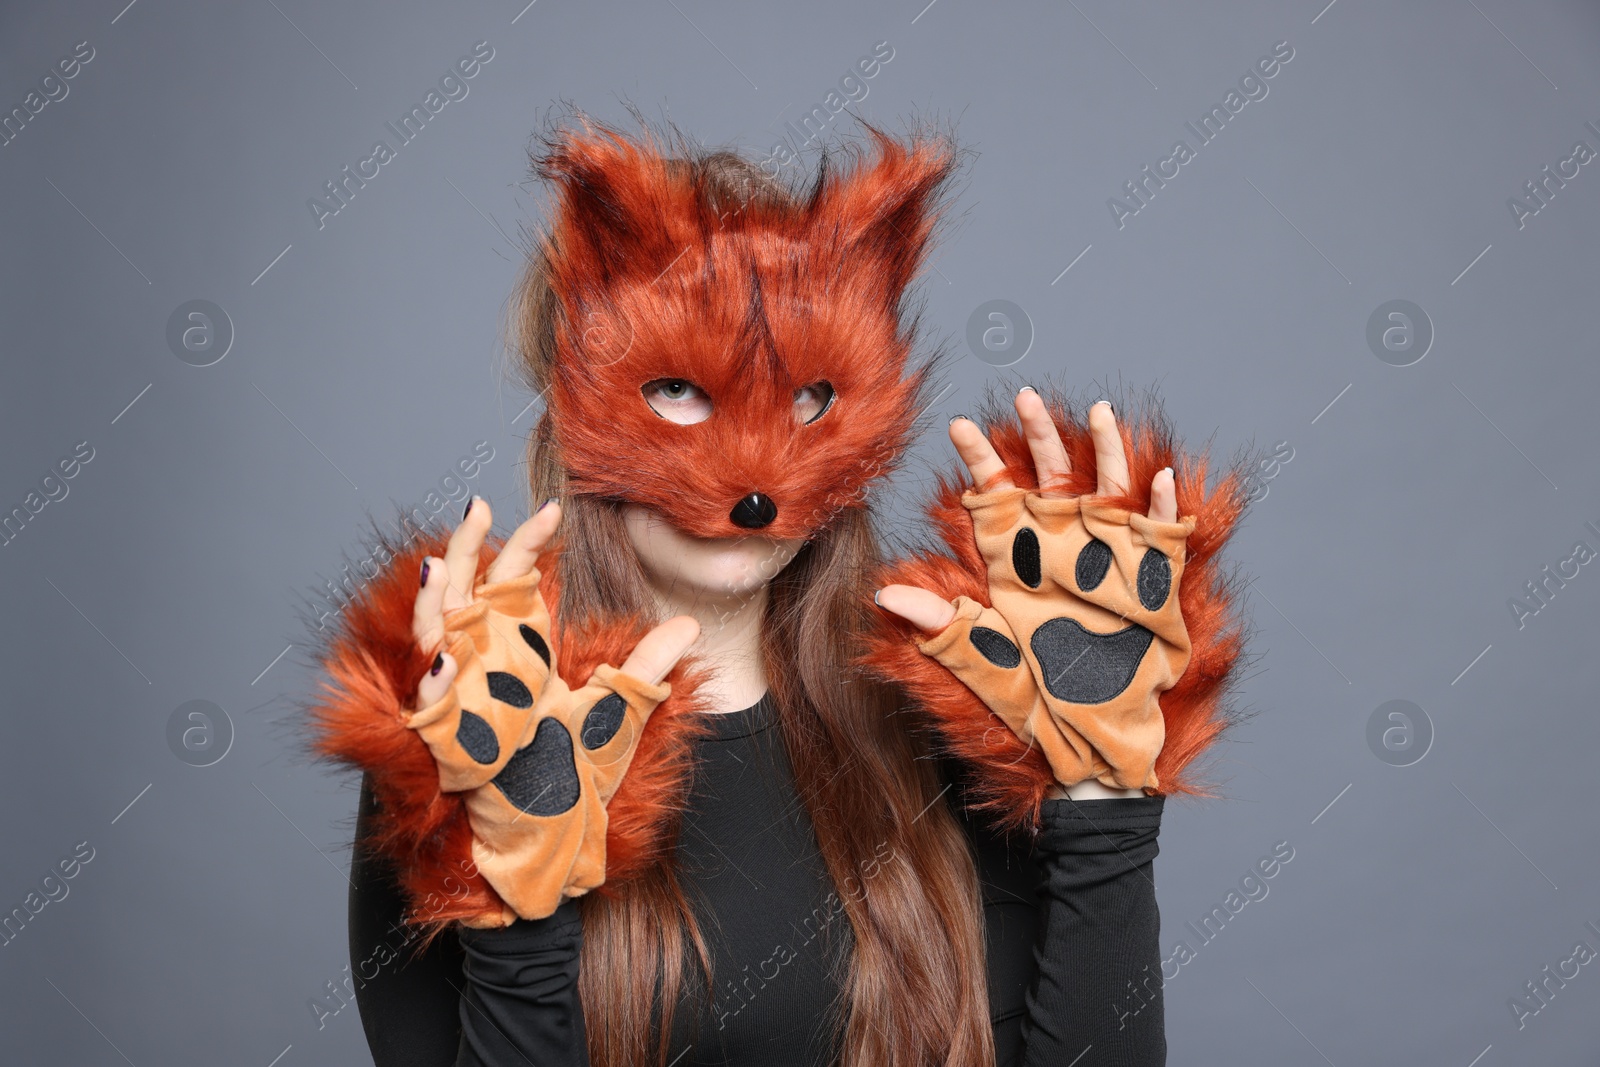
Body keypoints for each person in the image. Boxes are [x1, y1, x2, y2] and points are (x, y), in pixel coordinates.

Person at [308, 115, 1252, 1067]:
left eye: (804, 398)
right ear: (570, 398)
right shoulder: (473, 736)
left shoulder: (979, 699)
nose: (753, 477)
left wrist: (1102, 800)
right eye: (682, 390)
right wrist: (515, 906)